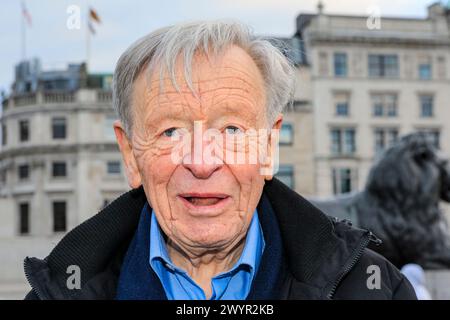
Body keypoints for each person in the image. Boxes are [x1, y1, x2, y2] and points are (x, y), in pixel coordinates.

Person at [24, 20, 416, 300]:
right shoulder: (55, 292)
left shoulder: (376, 288)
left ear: (268, 148)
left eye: (231, 130)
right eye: (170, 132)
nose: (202, 161)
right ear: (131, 155)